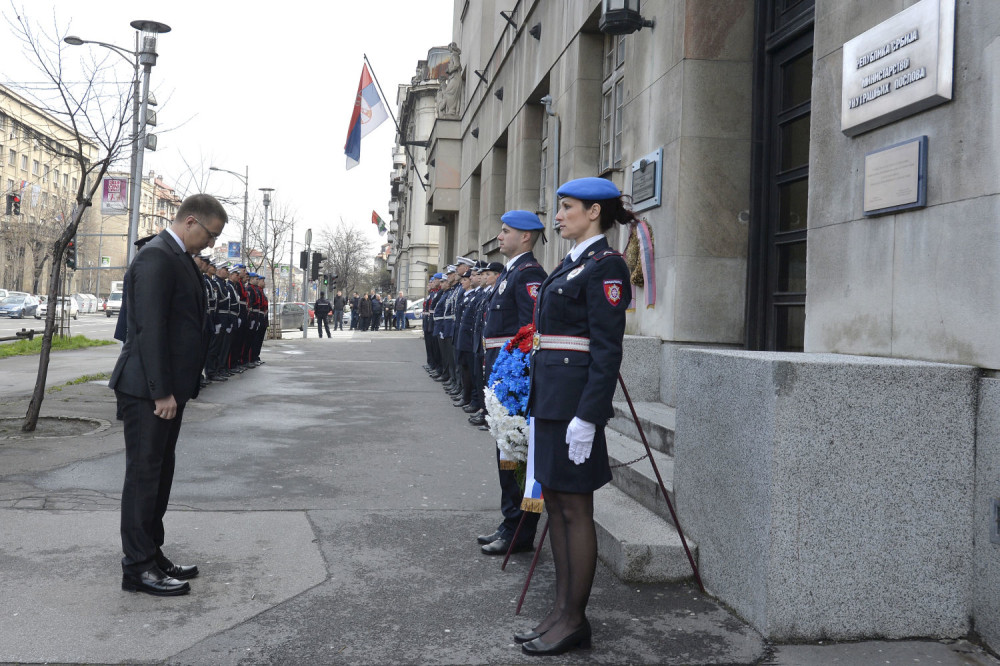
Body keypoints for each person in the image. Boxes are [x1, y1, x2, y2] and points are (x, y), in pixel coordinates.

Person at [514, 177, 633, 656]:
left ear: (594, 213)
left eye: (566, 208)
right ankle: (561, 611)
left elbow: (607, 352)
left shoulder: (606, 267)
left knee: (575, 509)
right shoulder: (571, 264)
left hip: (574, 408)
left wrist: (589, 416)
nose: (557, 216)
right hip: (551, 403)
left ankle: (575, 619)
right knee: (556, 507)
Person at [109, 194, 227, 597]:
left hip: (166, 390)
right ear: (191, 221)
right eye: (210, 235)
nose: (210, 244)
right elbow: (149, 330)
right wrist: (161, 392)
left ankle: (152, 553)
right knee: (144, 476)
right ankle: (137, 567)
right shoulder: (156, 256)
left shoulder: (177, 258)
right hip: (147, 391)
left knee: (159, 474)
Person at [479, 211, 547, 556]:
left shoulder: (529, 273)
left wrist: (517, 378)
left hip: (514, 379)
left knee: (518, 457)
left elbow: (531, 331)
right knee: (506, 455)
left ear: (526, 237)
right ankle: (510, 522)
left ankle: (520, 529)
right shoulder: (512, 272)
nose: (500, 236)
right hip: (502, 375)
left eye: (506, 231)